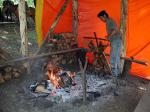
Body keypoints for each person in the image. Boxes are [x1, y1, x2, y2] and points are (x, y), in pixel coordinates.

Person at [97, 10, 122, 77]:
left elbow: (115, 29)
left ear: (104, 16)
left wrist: (109, 36)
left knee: (113, 57)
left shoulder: (110, 21)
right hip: (116, 41)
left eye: (101, 18)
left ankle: (114, 75)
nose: (101, 20)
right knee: (116, 57)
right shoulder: (109, 22)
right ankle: (118, 73)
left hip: (116, 41)